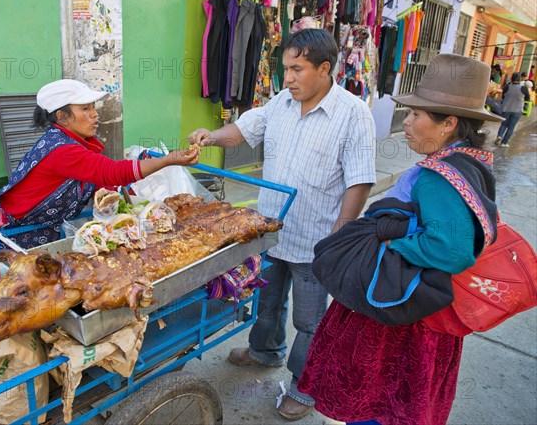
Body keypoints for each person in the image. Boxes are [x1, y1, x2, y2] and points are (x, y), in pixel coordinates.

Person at [297, 54, 503, 425]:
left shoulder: (439, 176)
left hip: (404, 318)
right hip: (419, 312)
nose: (405, 123)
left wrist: (394, 244)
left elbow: (452, 250)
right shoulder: (468, 161)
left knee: (378, 406)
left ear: (449, 123)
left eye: (415, 115)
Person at [188, 28, 376, 421]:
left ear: (325, 69)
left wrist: (341, 232)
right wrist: (209, 136)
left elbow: (360, 179)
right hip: (269, 233)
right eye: (285, 68)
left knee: (308, 322)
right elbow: (243, 129)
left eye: (296, 69)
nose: (287, 77)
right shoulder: (281, 103)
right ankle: (263, 352)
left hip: (315, 240)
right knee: (267, 302)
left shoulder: (353, 114)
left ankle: (304, 388)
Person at [0, 79, 200, 247]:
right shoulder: (63, 151)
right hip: (17, 234)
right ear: (62, 117)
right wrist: (170, 159)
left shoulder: (72, 141)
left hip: (45, 227)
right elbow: (113, 172)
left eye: (93, 107)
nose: (95, 115)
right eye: (85, 109)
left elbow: (97, 179)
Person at [495, 72, 531, 147]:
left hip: (506, 108)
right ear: (520, 79)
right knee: (511, 127)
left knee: (503, 124)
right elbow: (527, 98)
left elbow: (503, 97)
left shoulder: (507, 87)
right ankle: (504, 143)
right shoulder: (523, 88)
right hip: (517, 110)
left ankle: (499, 136)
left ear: (511, 79)